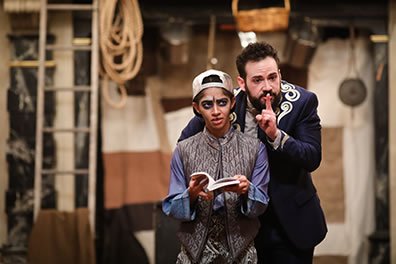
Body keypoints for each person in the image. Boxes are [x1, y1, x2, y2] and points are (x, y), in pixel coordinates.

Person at [178, 42, 327, 263]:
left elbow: (312, 157)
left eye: (272, 78)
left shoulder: (302, 102)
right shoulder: (227, 103)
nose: (267, 87)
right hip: (242, 225)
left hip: (291, 222)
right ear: (242, 83)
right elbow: (185, 145)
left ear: (279, 74)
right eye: (257, 80)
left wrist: (277, 135)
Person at [162, 69, 270, 263]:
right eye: (207, 104)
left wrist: (247, 190)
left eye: (222, 102)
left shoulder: (255, 149)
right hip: (193, 253)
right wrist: (192, 193)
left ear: (232, 103)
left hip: (242, 251)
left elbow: (261, 206)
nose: (216, 111)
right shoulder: (183, 150)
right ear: (196, 108)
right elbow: (172, 208)